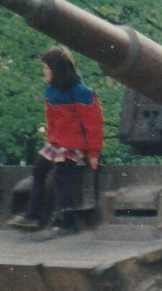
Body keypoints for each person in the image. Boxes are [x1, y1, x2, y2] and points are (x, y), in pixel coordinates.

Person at [7, 46, 104, 238]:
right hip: (57, 142)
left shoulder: (81, 92)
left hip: (76, 144)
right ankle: (32, 214)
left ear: (57, 70)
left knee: (62, 176)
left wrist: (94, 153)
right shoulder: (51, 91)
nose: (45, 71)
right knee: (38, 170)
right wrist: (51, 140)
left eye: (47, 68)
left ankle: (67, 223)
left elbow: (94, 124)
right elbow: (51, 120)